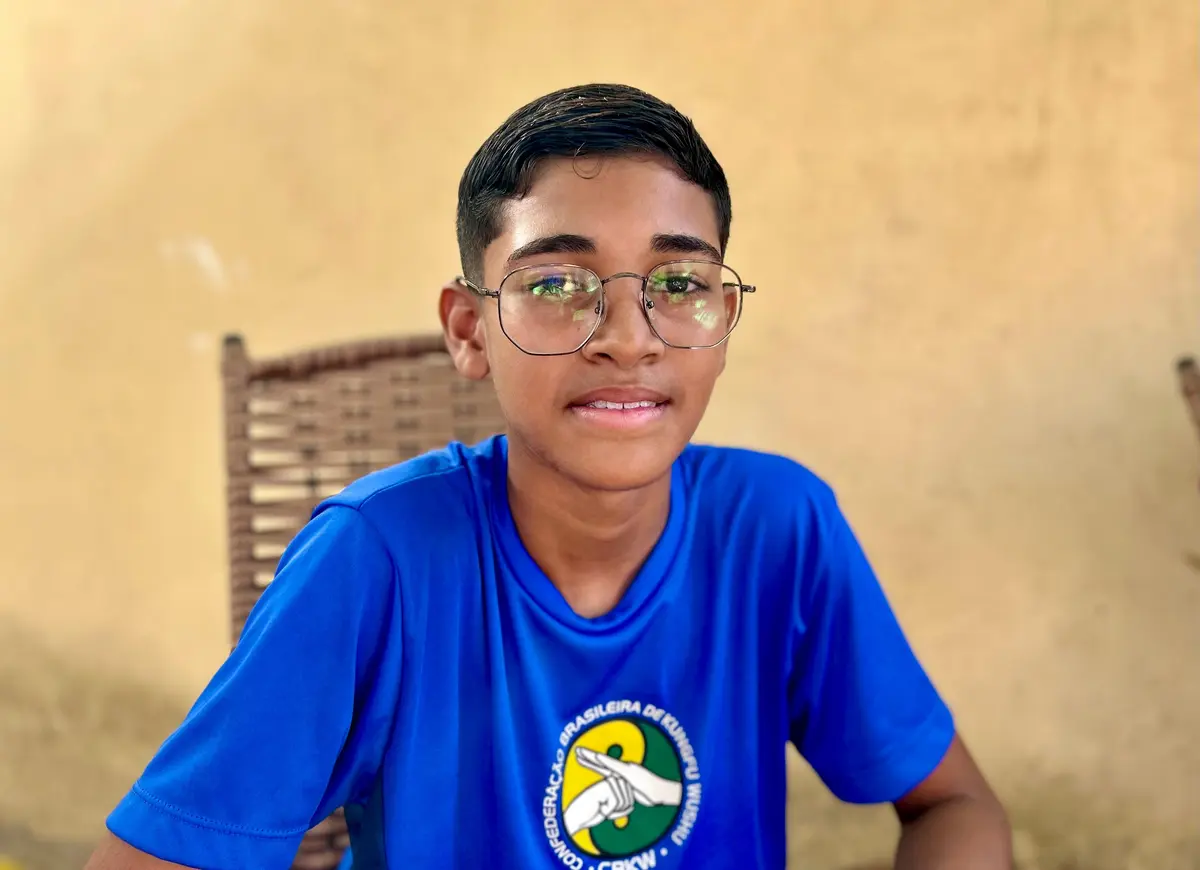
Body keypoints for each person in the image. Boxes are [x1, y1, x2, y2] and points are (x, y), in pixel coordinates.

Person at [85, 83, 1011, 869]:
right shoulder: (377, 560)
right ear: (468, 330)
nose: (628, 338)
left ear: (725, 318)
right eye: (559, 284)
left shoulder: (778, 530)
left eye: (680, 284)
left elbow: (954, 806)